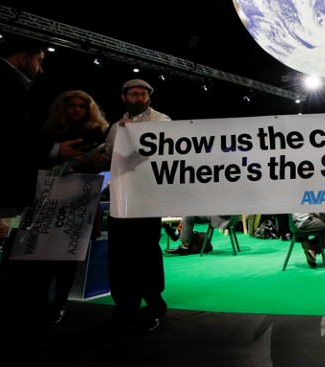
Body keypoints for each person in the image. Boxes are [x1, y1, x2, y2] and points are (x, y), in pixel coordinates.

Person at [0, 37, 85, 365]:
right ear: (22, 57)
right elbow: (8, 136)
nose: (41, 68)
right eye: (39, 60)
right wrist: (53, 152)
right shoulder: (5, 84)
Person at [34, 89, 111, 327]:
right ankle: (40, 302)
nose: (76, 110)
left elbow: (102, 166)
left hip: (81, 197)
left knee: (70, 254)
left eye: (81, 106)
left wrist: (94, 165)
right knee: (42, 254)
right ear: (63, 108)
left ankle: (60, 303)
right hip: (49, 197)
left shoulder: (97, 134)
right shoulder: (48, 134)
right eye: (72, 106)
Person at [104, 79, 170, 332]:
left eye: (143, 94)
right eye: (133, 94)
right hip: (120, 199)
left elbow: (158, 149)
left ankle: (154, 303)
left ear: (149, 98)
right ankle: (125, 305)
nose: (139, 98)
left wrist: (131, 133)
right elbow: (110, 156)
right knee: (120, 255)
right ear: (124, 97)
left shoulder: (161, 120)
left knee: (147, 253)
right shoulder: (115, 127)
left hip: (147, 198)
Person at [164, 215, 233, 255]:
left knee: (188, 215)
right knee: (188, 216)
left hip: (219, 217)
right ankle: (179, 239)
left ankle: (176, 234)